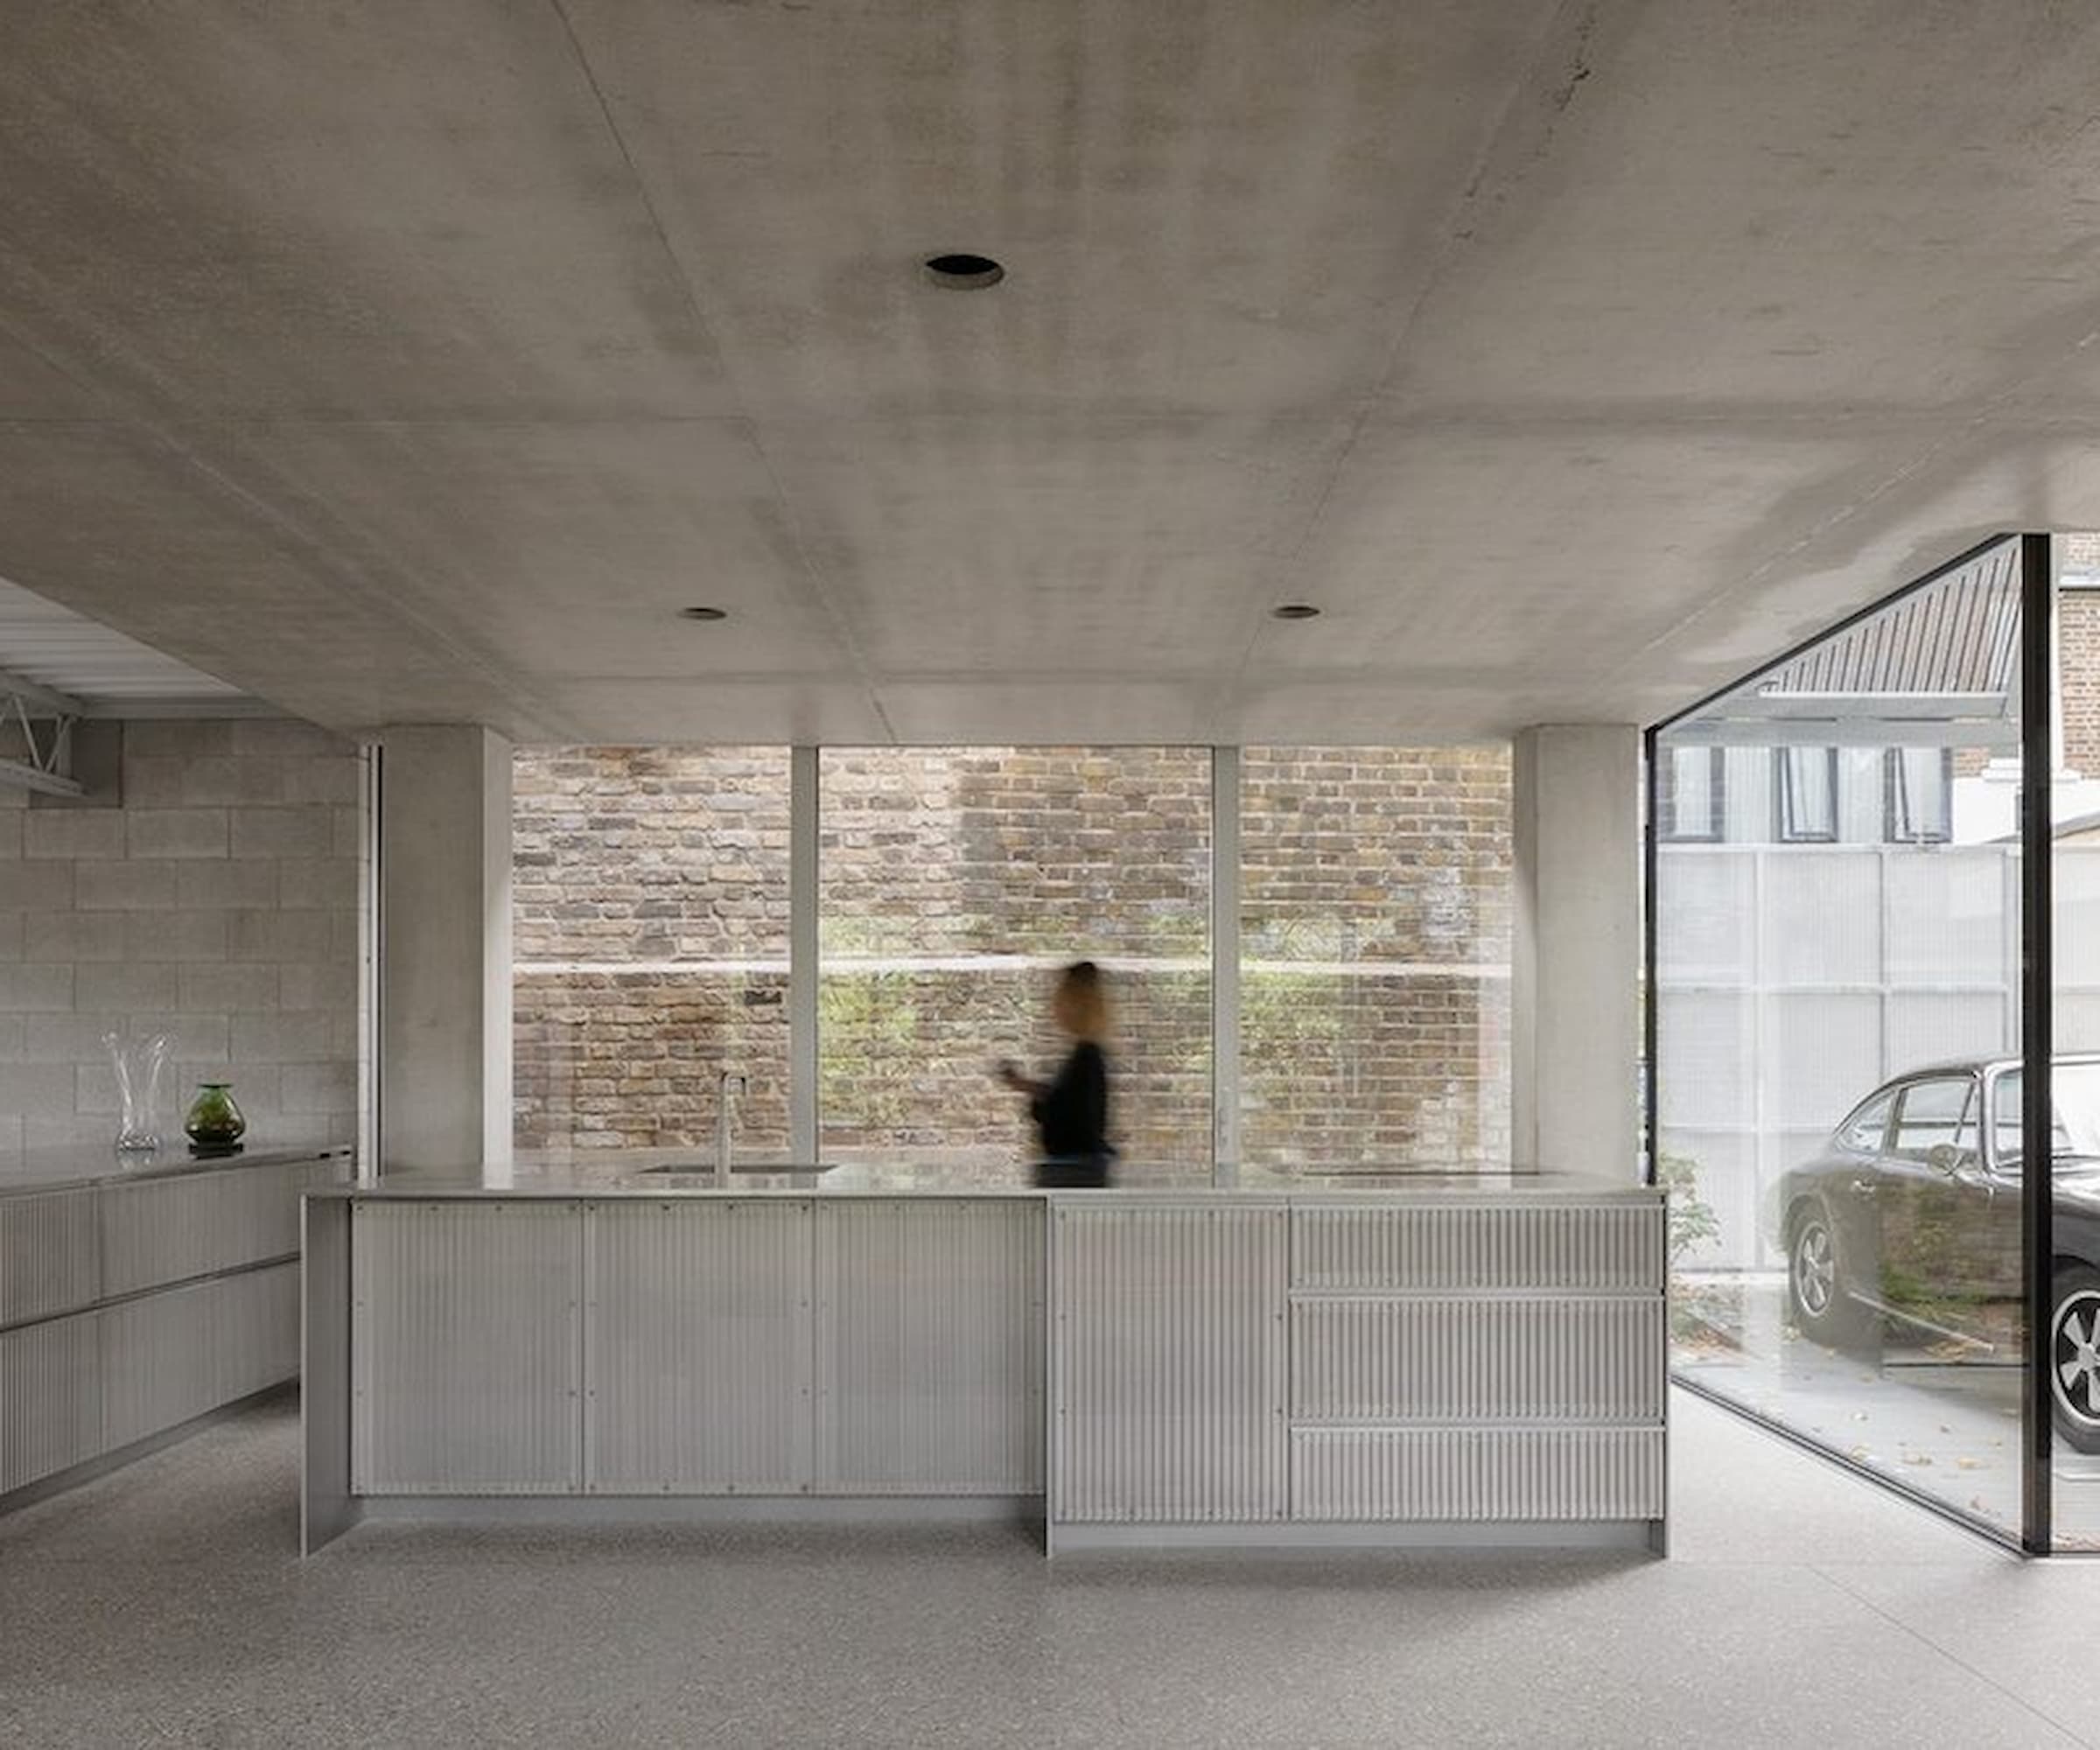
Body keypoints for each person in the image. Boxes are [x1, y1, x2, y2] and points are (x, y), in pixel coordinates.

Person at [998, 961, 1115, 1188]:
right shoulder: (1085, 1055)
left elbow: (1072, 1118)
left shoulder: (1088, 1057)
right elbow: (1067, 1103)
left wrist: (1033, 1092)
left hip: (1076, 1177)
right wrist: (1025, 1086)